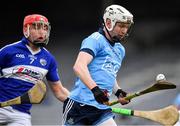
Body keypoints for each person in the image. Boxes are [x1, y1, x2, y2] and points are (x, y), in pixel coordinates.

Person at [63, 4, 133, 125]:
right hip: (79, 106)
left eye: (127, 27)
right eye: (121, 25)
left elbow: (109, 73)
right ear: (109, 22)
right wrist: (95, 90)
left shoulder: (120, 50)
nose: (124, 31)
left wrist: (118, 92)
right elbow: (79, 66)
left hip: (101, 109)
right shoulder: (95, 40)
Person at [0, 14, 69, 126]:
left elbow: (59, 91)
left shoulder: (49, 59)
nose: (42, 32)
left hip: (21, 115)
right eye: (37, 27)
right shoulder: (8, 51)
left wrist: (79, 103)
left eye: (45, 28)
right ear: (25, 29)